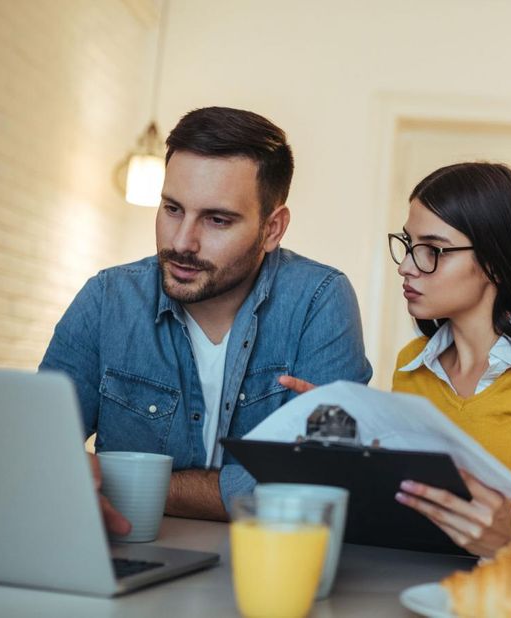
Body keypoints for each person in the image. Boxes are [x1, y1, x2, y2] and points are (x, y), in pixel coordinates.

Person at [280, 162, 511, 590]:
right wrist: (349, 450)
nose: (407, 266)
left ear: (495, 261)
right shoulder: (412, 365)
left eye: (433, 249)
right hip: (428, 597)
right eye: (408, 243)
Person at [41, 107, 372, 535]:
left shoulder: (318, 300)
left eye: (217, 220)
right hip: (129, 554)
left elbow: (319, 480)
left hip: (271, 565)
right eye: (173, 209)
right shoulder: (107, 300)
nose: (181, 242)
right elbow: (42, 453)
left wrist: (125, 484)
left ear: (273, 229)